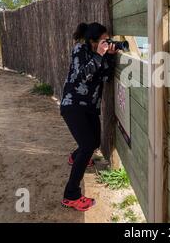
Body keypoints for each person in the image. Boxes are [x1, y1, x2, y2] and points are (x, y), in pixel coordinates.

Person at [60, 22, 117, 212]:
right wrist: (99, 55)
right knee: (87, 146)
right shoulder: (80, 50)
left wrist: (109, 57)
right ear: (92, 41)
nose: (105, 43)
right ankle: (71, 195)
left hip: (90, 107)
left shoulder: (100, 54)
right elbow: (82, 75)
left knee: (93, 143)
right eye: (102, 41)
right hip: (73, 105)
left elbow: (106, 77)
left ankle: (75, 158)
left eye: (107, 40)